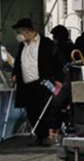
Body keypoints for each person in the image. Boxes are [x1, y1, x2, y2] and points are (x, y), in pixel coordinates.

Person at [10, 18, 60, 146]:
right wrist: (15, 74)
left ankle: (47, 136)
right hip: (26, 84)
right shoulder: (22, 45)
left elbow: (57, 61)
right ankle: (40, 135)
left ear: (28, 31)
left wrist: (58, 80)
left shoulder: (46, 43)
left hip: (42, 82)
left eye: (20, 31)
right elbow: (18, 62)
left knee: (44, 110)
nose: (19, 34)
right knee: (31, 111)